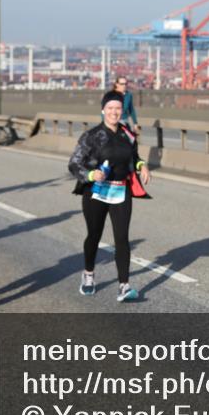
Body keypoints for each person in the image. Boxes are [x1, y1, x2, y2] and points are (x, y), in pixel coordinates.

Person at [69, 91, 151, 302]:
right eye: (110, 108)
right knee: (94, 236)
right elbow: (73, 164)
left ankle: (124, 286)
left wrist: (142, 166)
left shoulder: (128, 134)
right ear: (103, 110)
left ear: (121, 110)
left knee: (122, 238)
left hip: (120, 191)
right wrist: (90, 174)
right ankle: (88, 274)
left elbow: (134, 157)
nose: (114, 112)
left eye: (118, 108)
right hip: (96, 192)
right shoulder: (92, 135)